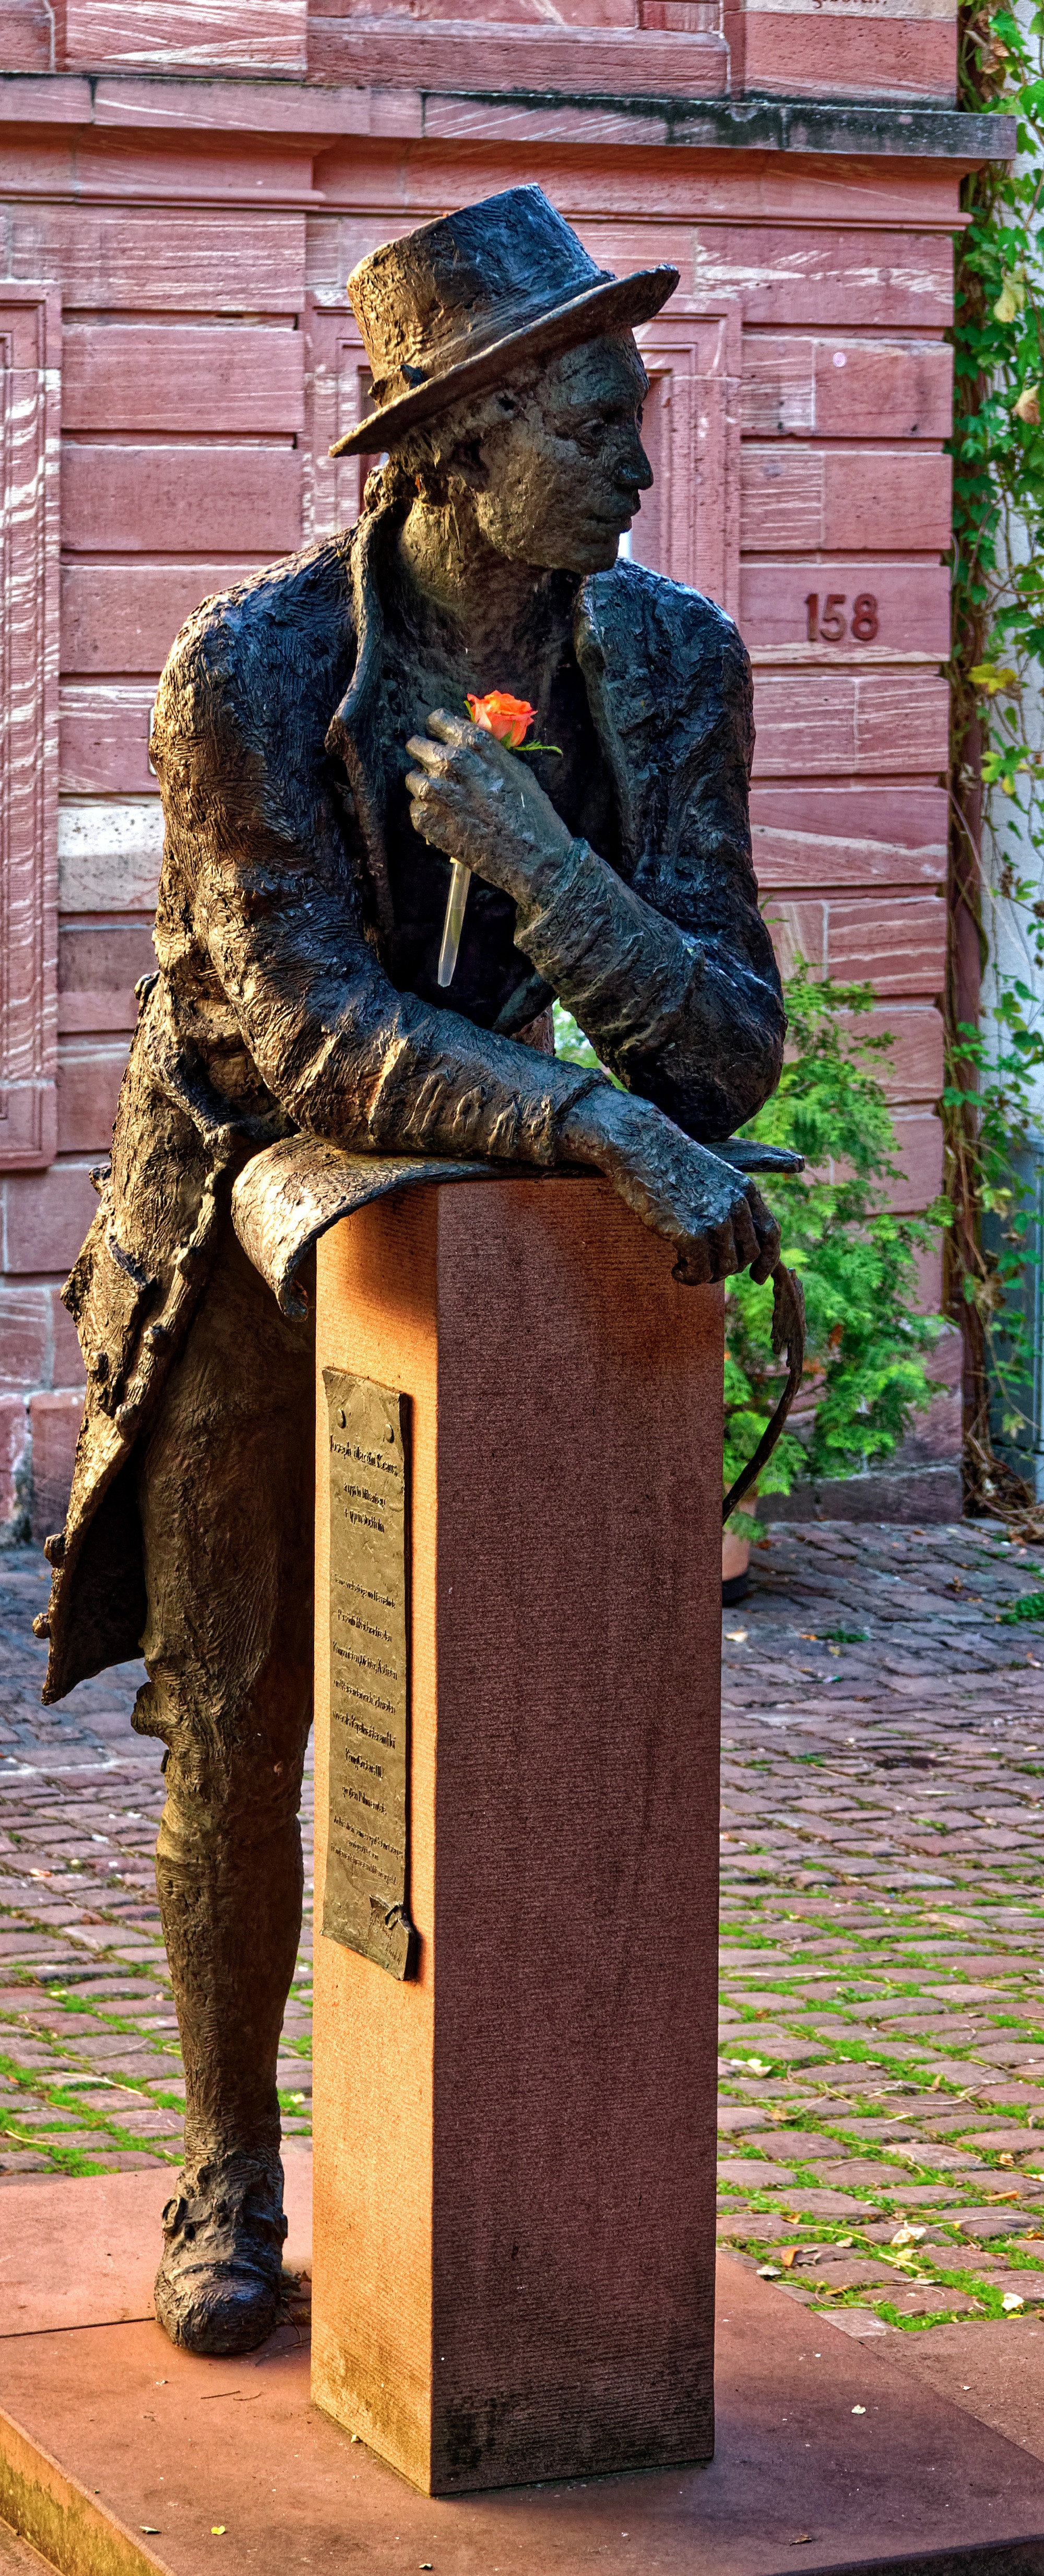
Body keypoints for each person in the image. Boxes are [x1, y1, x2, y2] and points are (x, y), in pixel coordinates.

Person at [38, 184, 785, 2356]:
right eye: (591, 422)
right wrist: (587, 1112)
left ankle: (484, 2138)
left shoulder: (664, 663)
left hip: (484, 1237)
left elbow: (724, 1046)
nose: (638, 464)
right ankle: (225, 2160)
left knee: (496, 1707)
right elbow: (294, 1025)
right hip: (246, 1213)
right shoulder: (255, 670)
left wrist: (545, 869)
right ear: (456, 445)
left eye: (633, 414)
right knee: (242, 1701)